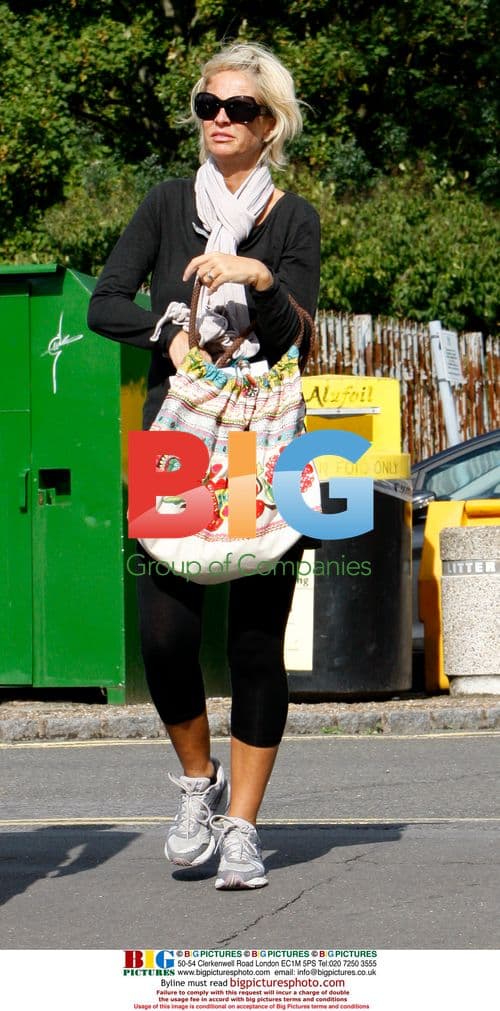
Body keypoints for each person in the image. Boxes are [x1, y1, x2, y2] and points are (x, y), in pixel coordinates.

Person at [88, 41, 320, 890]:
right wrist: (168, 330)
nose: (220, 118)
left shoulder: (293, 220)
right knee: (166, 633)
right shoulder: (163, 206)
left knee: (257, 644)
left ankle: (245, 829)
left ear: (271, 126)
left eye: (241, 109)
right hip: (177, 438)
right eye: (208, 105)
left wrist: (257, 277)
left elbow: (298, 332)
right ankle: (197, 783)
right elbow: (105, 300)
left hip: (267, 438)